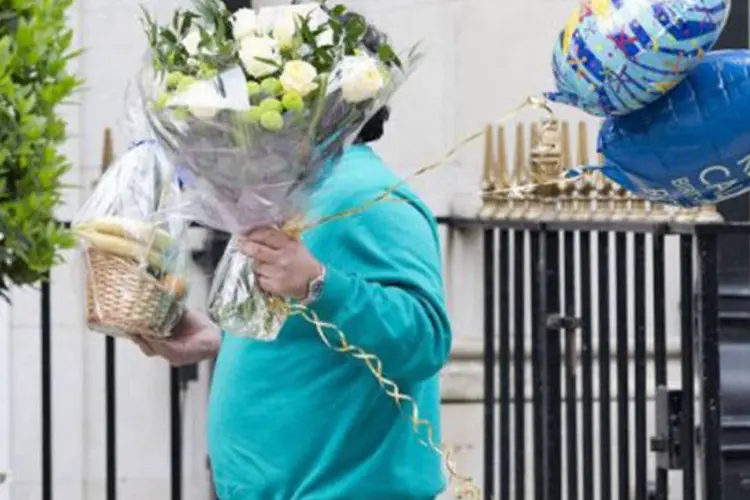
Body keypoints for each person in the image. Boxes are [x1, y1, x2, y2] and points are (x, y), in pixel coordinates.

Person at [133, 106, 454, 500]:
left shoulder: (366, 194)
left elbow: (425, 339)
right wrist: (218, 338)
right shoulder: (301, 191)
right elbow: (312, 329)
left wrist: (318, 283)